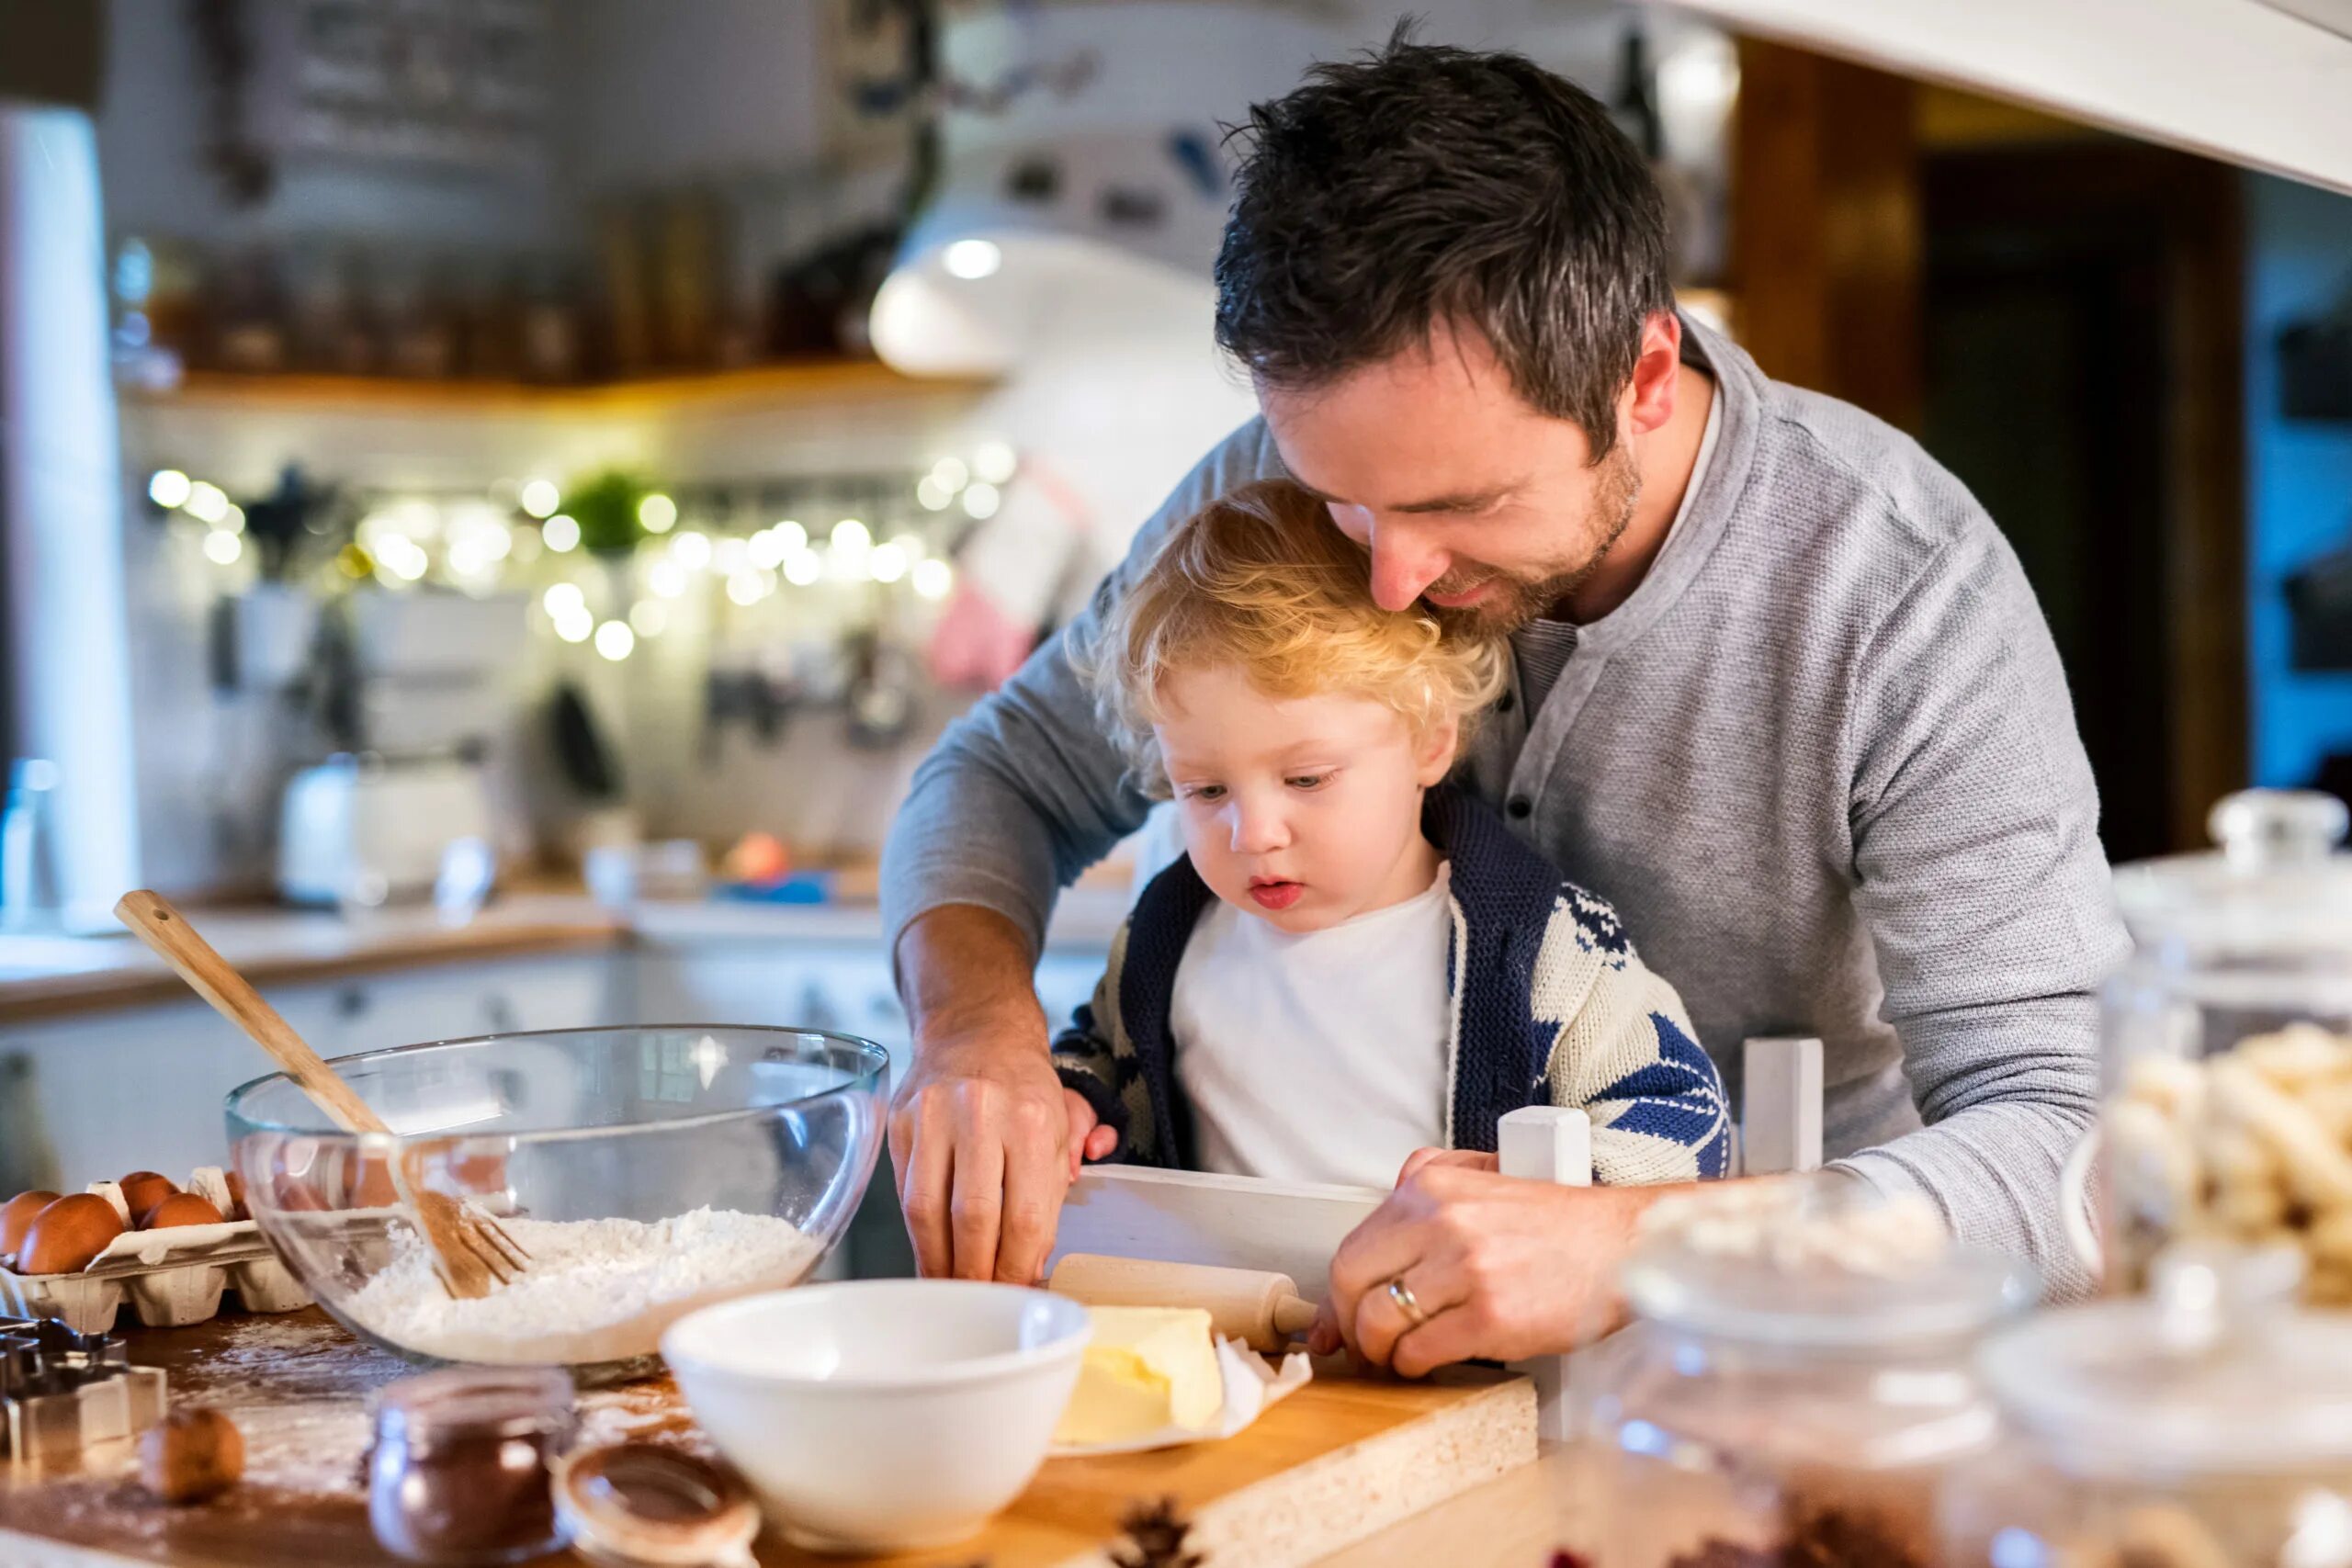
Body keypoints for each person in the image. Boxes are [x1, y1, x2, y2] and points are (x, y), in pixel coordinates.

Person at [879, 31, 2127, 1367]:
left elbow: (2074, 1145)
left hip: (1796, 1366)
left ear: (1642, 379)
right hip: (1356, 1372)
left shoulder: (1897, 586)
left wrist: (1658, 1239)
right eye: (1345, 502)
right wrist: (971, 1026)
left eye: (1458, 505)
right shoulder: (1268, 489)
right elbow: (1000, 775)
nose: (1394, 573)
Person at [1050, 478, 1733, 1192]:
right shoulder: (1162, 934)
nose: (1253, 833)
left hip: (1454, 1298)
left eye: (1308, 778)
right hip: (1221, 1301)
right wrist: (1071, 1101)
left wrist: (1555, 1200)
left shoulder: (1548, 946)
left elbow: (1686, 1118)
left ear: (1431, 741)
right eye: (1206, 789)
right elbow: (1096, 1056)